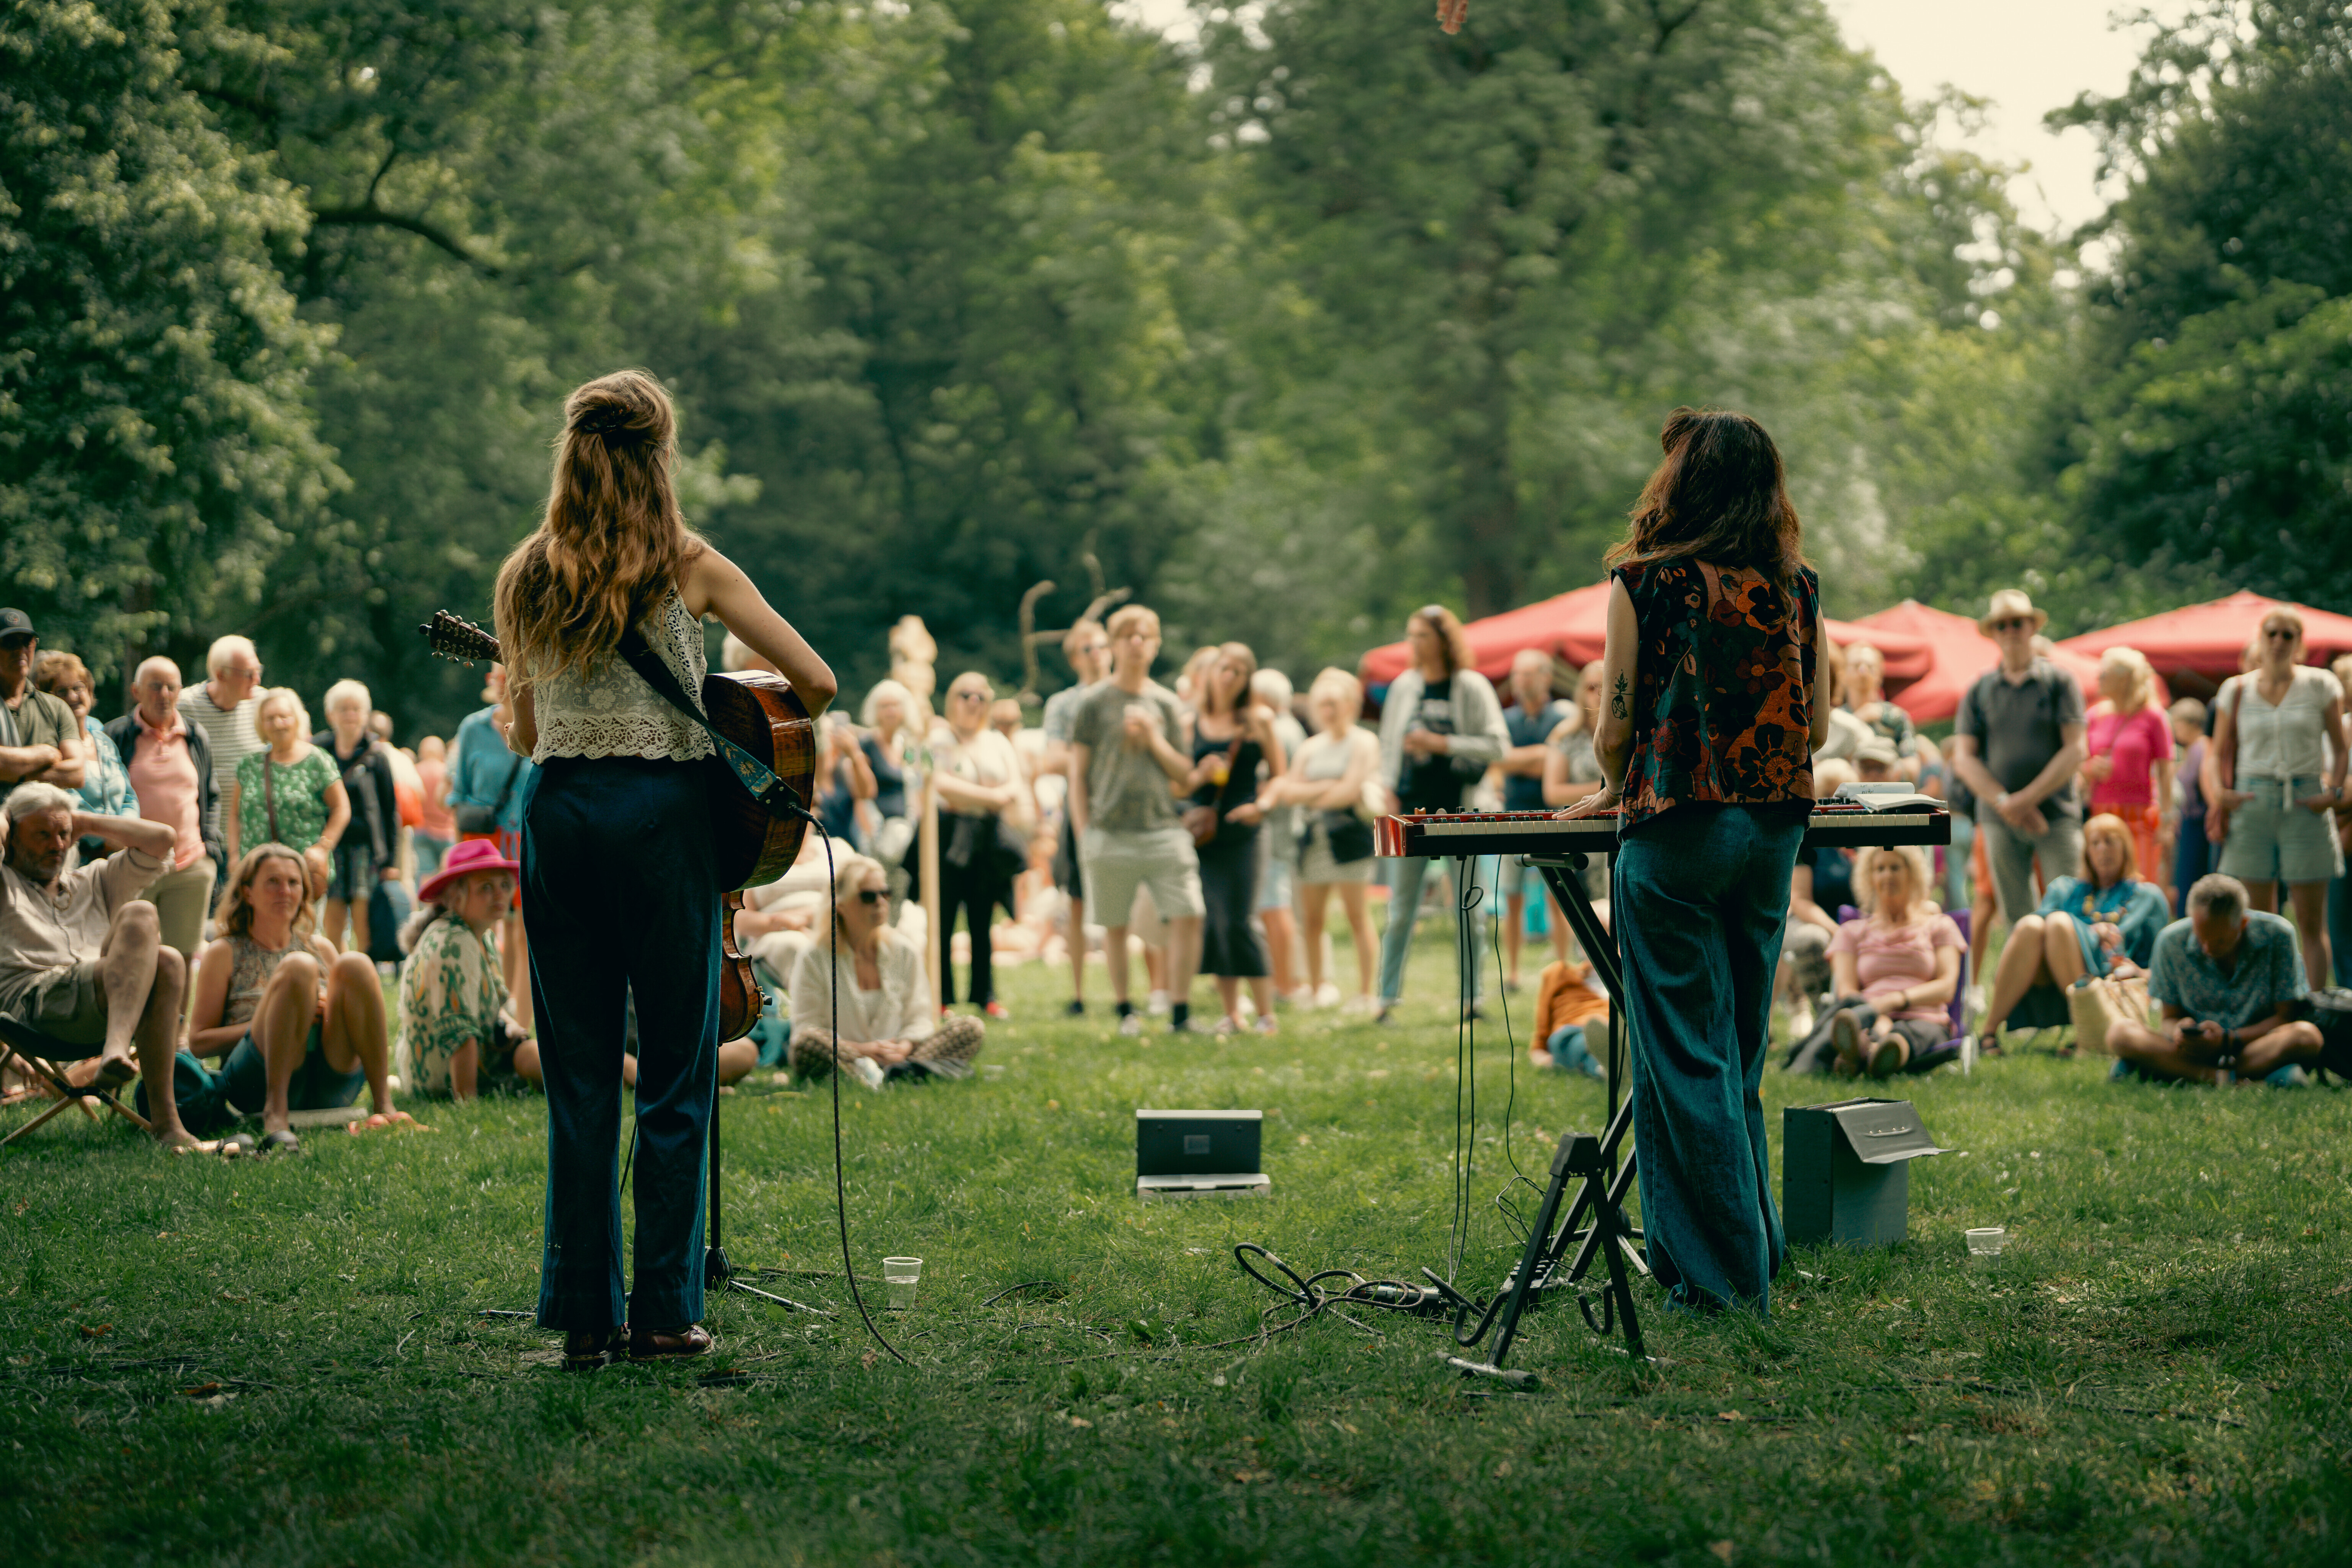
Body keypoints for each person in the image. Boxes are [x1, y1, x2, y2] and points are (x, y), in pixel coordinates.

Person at [496, 369, 836, 1370]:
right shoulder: (689, 566)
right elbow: (814, 682)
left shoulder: (528, 573)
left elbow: (522, 731)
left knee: (581, 1077)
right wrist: (726, 700)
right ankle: (665, 1312)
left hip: (558, 817)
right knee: (679, 1071)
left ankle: (587, 1315)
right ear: (661, 458)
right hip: (663, 824)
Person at [1557, 407, 1830, 1316]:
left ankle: (1720, 1286)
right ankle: (1745, 1252)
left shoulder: (1646, 581)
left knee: (1681, 1062)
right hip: (1772, 832)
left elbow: (1615, 721)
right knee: (1736, 1058)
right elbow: (1818, 725)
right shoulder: (1797, 587)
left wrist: (1609, 780)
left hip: (1675, 829)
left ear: (1684, 481)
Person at [0, 784, 207, 1145]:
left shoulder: (94, 880)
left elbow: (164, 839)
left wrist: (84, 821)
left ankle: (166, 1123)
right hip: (35, 1006)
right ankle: (122, 1059)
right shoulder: (5, 884)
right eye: (42, 834)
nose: (57, 845)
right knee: (162, 952)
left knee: (159, 941)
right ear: (13, 838)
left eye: (64, 834)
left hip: (105, 1004)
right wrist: (5, 817)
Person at [187, 843, 403, 1148]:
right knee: (300, 968)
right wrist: (275, 1019)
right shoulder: (224, 952)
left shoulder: (322, 948)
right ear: (248, 892)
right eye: (273, 882)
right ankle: (276, 1111)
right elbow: (198, 1042)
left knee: (356, 963)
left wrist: (324, 1014)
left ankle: (385, 1105)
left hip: (329, 1081)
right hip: (255, 1083)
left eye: (293, 883)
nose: (284, 891)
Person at [1068, 604, 1205, 1036]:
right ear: (1115, 644)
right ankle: (1125, 1009)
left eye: (1144, 635)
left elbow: (1185, 775)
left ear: (1156, 645)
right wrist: (1084, 831)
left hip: (1163, 828)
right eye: (1128, 635)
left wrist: (1153, 738)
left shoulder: (1165, 702)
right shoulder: (1093, 702)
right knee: (1115, 924)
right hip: (1108, 831)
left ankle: (1180, 1014)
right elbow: (1078, 773)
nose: (1136, 643)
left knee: (1189, 912)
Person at [1373, 605, 1509, 1022]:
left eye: (1422, 636)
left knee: (1469, 910)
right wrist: (1386, 791)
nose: (1414, 643)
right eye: (1410, 635)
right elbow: (1388, 748)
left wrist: (1441, 744)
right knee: (1401, 910)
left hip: (1462, 811)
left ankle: (1473, 999)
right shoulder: (1404, 686)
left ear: (1443, 640)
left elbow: (1498, 746)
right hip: (1409, 812)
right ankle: (1386, 999)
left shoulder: (1469, 685)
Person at [2206, 607, 2347, 990]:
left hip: (2305, 799)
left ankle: (2315, 1010)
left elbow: (2340, 746)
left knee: (2310, 921)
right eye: (2272, 633)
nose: (2279, 641)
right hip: (2254, 799)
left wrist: (2332, 792)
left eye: (2288, 635)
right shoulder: (2236, 689)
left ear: (2300, 643)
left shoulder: (2320, 684)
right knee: (2257, 917)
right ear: (2259, 638)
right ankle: (2266, 1000)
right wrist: (2221, 792)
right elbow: (2217, 751)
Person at [1973, 811, 2171, 1054]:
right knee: (2030, 926)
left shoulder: (2148, 897)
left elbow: (2163, 969)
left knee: (2057, 923)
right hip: (2054, 981)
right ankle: (1988, 1033)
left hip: (2109, 982)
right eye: (2095, 843)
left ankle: (2086, 1032)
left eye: (2110, 841)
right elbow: (2035, 934)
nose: (2103, 850)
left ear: (2126, 847)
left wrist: (2139, 972)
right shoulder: (2065, 889)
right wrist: (2092, 932)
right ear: (2086, 851)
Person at [1952, 589, 2087, 937]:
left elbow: (2076, 750)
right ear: (1994, 633)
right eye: (2002, 625)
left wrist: (2025, 800)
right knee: (2018, 919)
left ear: (2032, 627)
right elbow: (1964, 759)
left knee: (2069, 912)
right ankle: (2028, 991)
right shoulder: (1979, 689)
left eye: (2017, 623)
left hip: (2055, 815)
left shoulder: (2060, 681)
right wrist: (2006, 803)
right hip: (1998, 819)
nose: (2010, 630)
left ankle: (2070, 988)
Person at [2108, 873, 2329, 1085]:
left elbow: (2286, 1017)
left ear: (2242, 924)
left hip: (2253, 1046)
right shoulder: (2171, 942)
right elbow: (2169, 1017)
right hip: (2194, 1051)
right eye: (2201, 937)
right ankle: (2227, 1078)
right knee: (2120, 1034)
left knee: (2307, 1037)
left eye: (2219, 942)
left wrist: (2228, 1039)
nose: (2207, 948)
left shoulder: (2278, 935)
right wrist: (2180, 1030)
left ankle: (2175, 1072)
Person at [789, 853, 983, 1087]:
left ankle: (895, 1073)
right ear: (840, 906)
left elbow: (919, 1018)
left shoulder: (905, 951)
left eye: (885, 893)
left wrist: (905, 1047)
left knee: (970, 1028)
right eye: (869, 896)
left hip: (901, 1056)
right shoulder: (814, 956)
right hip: (846, 1055)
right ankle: (902, 1074)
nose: (881, 902)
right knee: (808, 1043)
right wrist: (862, 1051)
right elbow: (807, 1028)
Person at [1782, 845, 1961, 1078]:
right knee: (1865, 1021)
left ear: (1913, 874)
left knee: (1909, 1035)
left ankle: (1870, 1053)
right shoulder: (1853, 932)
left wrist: (1895, 1000)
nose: (1887, 875)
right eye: (1880, 869)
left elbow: (1947, 987)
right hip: (1869, 1013)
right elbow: (1847, 993)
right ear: (1869, 877)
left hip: (1925, 1017)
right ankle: (1872, 1050)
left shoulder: (1939, 926)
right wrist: (1880, 1014)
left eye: (1895, 868)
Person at [1259, 668, 1381, 1010]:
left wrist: (1315, 793)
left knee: (1358, 917)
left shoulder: (1363, 742)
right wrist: (1327, 788)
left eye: (1334, 703)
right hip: (1313, 842)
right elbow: (1288, 791)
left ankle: (1366, 992)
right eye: (1322, 704)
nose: (1328, 710)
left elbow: (1349, 791)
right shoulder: (1311, 747)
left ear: (1349, 704)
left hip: (1350, 840)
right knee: (1311, 920)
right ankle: (1315, 989)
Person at [1186, 643, 1286, 1034]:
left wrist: (1261, 806)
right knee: (1217, 922)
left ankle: (1267, 1014)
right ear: (1211, 671)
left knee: (1241, 921)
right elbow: (1180, 781)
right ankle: (1232, 1014)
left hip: (1244, 829)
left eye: (1239, 671)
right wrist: (1197, 779)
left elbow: (1280, 774)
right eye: (1224, 668)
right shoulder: (1191, 721)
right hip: (1204, 834)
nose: (1229, 676)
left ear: (1247, 679)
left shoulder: (1258, 718)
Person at [397, 838, 540, 1099]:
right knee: (553, 1060)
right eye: (486, 887)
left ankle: (625, 1076)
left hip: (479, 1063)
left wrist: (513, 1031)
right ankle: (628, 1076)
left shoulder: (477, 933)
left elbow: (495, 1003)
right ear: (455, 895)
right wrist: (469, 1100)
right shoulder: (454, 942)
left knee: (547, 1056)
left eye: (505, 885)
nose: (500, 895)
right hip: (442, 1084)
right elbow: (459, 1033)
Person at [102, 658, 223, 959]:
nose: (164, 694)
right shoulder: (115, 736)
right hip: (133, 866)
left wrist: (209, 847)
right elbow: (102, 797)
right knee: (128, 956)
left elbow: (211, 794)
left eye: (172, 687)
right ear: (136, 691)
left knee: (181, 958)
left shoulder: (195, 736)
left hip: (190, 865)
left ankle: (178, 1011)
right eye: (155, 687)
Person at [928, 671, 1032, 1019]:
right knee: (943, 918)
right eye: (965, 695)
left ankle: (984, 994)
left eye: (981, 698)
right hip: (949, 834)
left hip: (988, 838)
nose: (973, 703)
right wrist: (993, 796)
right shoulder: (939, 738)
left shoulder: (997, 742)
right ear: (953, 699)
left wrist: (981, 797)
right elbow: (941, 784)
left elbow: (1016, 786)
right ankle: (940, 996)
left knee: (982, 918)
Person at [447, 666, 534, 1028]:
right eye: (504, 680)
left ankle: (521, 1019)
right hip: (485, 844)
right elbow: (459, 793)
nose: (509, 687)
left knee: (524, 930)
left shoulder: (540, 723)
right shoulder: (473, 728)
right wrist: (456, 860)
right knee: (488, 924)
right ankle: (492, 1007)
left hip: (529, 838)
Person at [1039, 624, 1108, 1015]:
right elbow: (1053, 758)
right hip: (1080, 810)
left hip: (1124, 809)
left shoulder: (1127, 694)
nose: (1097, 653)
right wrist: (1100, 757)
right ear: (1075, 658)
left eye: (1102, 646)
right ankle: (1080, 994)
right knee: (1078, 902)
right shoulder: (1064, 703)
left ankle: (1155, 992)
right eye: (1088, 648)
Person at [1496, 647, 1573, 990]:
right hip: (1511, 818)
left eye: (1527, 674)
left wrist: (1518, 760)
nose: (1519, 681)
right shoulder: (1504, 719)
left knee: (1560, 894)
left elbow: (1554, 762)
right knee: (1511, 898)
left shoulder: (1562, 716)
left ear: (1545, 677)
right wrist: (1541, 757)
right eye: (1516, 674)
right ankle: (1513, 973)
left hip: (1553, 819)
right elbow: (1497, 760)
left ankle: (1564, 967)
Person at [235, 689, 351, 908]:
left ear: (296, 720)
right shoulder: (249, 765)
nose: (278, 723)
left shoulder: (317, 760)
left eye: (284, 716)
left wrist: (323, 848)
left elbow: (342, 808)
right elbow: (235, 815)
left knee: (301, 938)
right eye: (270, 718)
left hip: (303, 873)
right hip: (256, 873)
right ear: (261, 724)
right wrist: (234, 856)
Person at [314, 679, 401, 956]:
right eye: (343, 709)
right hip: (330, 844)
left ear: (366, 715)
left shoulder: (377, 756)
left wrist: (391, 860)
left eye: (356, 709)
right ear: (331, 715)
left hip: (366, 847)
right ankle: (334, 975)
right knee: (333, 916)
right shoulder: (319, 751)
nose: (350, 715)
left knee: (365, 917)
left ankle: (363, 974)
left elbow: (391, 810)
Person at [2082, 647, 2174, 893]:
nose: (2099, 679)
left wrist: (2167, 819)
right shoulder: (2094, 715)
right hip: (2102, 812)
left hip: (2139, 813)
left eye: (2105, 674)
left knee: (2141, 883)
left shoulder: (2153, 717)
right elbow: (2078, 764)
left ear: (2124, 679)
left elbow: (2166, 771)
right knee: (2102, 882)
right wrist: (2090, 768)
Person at [176, 634, 265, 865]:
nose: (256, 679)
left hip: (253, 844)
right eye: (248, 673)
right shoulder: (185, 707)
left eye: (259, 671)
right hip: (202, 842)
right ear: (220, 675)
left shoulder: (263, 705)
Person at [1250, 666, 1308, 1005]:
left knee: (1274, 906)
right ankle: (1287, 981)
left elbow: (1275, 780)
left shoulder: (1278, 731)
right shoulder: (1292, 728)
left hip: (1274, 830)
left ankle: (1284, 986)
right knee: (1276, 902)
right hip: (1285, 830)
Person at [34, 651, 135, 828]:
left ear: (89, 691)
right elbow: (68, 803)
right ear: (49, 700)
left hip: (121, 843)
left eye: (78, 688)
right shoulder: (50, 748)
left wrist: (128, 830)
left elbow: (129, 797)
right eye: (62, 691)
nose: (72, 697)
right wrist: (106, 838)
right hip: (81, 848)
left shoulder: (105, 742)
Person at [0, 608, 86, 804]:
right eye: (10, 642)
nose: (21, 650)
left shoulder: (56, 708)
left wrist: (18, 777)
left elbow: (77, 773)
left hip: (48, 825)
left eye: (27, 642)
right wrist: (44, 755)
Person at [1841, 643, 1917, 779]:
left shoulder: (1895, 717)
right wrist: (1855, 722)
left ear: (1880, 674)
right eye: (1856, 666)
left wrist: (1883, 769)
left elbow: (1912, 767)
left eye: (1870, 667)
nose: (1863, 672)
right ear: (1843, 674)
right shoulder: (1835, 720)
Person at [2166, 697, 2211, 910]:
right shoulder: (2190, 749)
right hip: (2188, 823)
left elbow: (2202, 790)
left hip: (2199, 825)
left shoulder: (2201, 748)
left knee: (2191, 878)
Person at [412, 735, 456, 882]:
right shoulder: (447, 773)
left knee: (426, 875)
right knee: (450, 875)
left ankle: (427, 905)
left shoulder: (416, 771)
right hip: (448, 831)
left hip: (422, 830)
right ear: (441, 753)